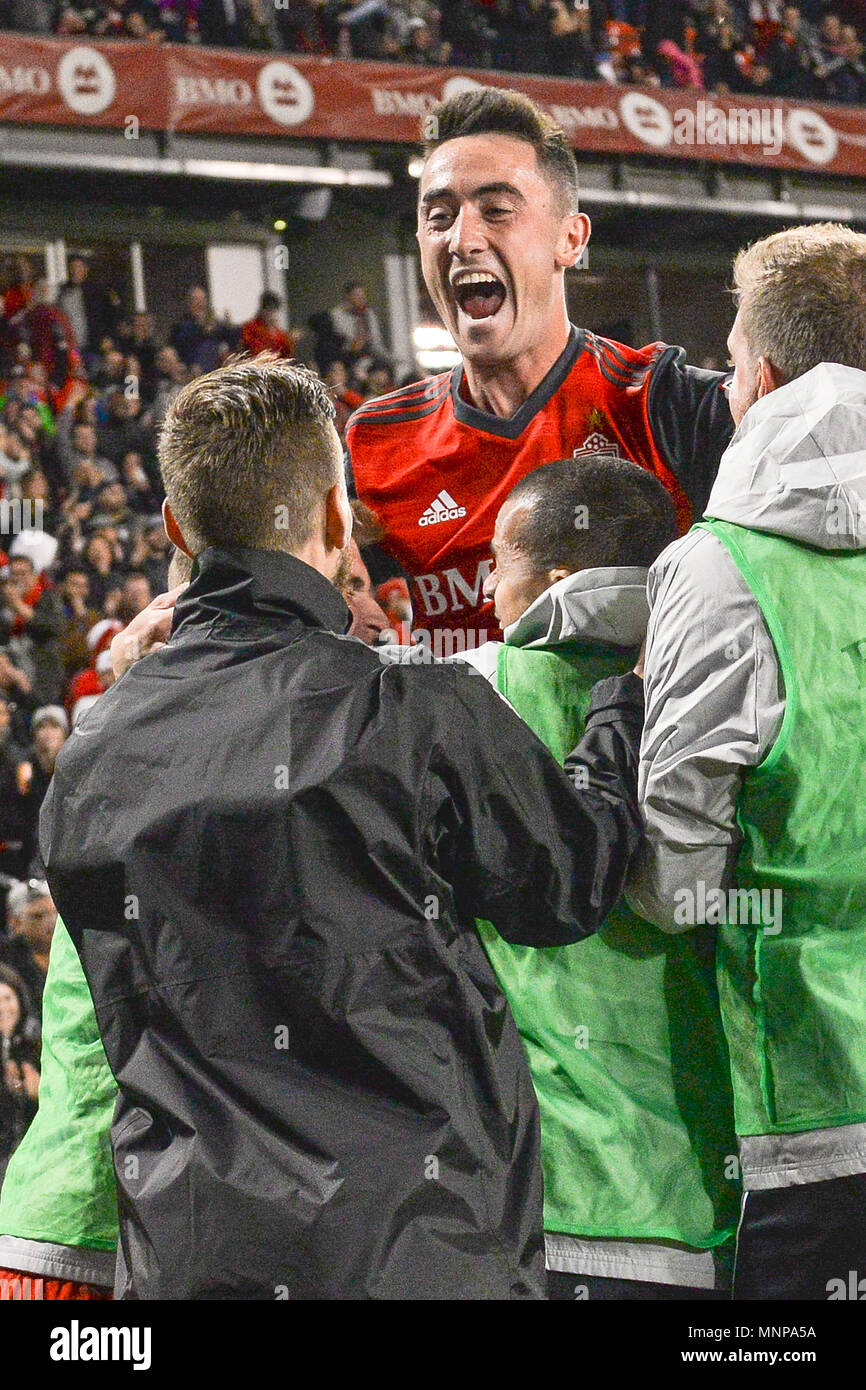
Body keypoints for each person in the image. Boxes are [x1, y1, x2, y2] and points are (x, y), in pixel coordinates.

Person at [38, 355, 644, 1300]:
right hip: (420, 1258)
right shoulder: (413, 711)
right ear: (333, 515)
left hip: (184, 1266)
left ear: (174, 531)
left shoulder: (91, 754)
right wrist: (616, 711)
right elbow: (572, 882)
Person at [627, 223, 866, 1300]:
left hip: (806, 1119)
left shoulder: (716, 568)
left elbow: (672, 886)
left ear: (760, 377)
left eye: (725, 365)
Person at [443, 456, 738, 1298]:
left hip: (541, 1200)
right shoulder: (728, 683)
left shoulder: (469, 695)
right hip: (714, 1199)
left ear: (557, 579)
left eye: (497, 563)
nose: (487, 589)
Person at [346, 88, 733, 645]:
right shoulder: (374, 445)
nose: (462, 239)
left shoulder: (663, 405)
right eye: (439, 216)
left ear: (569, 239)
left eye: (497, 211)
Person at [0, 962, 40, 1190]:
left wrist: (40, 1092)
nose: (3, 1008)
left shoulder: (35, 1046)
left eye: (8, 998)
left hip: (31, 1157)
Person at [241, 292, 295, 360]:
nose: (271, 314)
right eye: (269, 310)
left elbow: (286, 355)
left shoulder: (279, 333)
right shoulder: (250, 328)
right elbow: (255, 350)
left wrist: (290, 340)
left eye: (274, 311)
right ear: (262, 310)